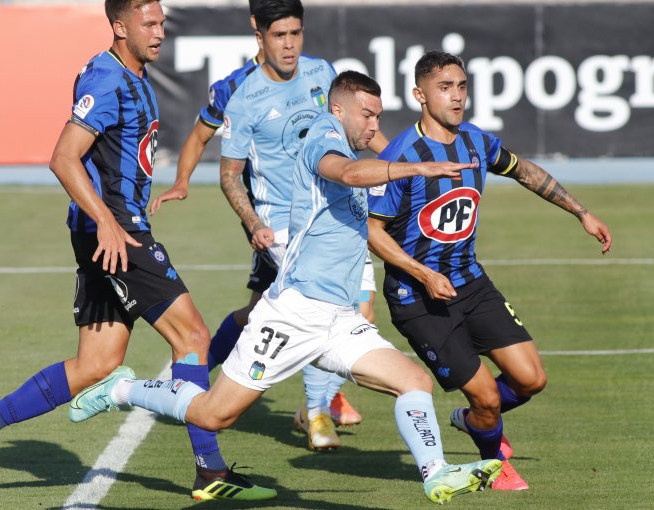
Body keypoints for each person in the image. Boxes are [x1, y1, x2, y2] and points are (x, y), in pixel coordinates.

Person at [68, 70, 502, 504]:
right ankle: (118, 390)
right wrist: (416, 166)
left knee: (414, 382)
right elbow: (348, 174)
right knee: (214, 413)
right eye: (367, 116)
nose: (374, 127)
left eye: (378, 117)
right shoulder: (322, 139)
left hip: (338, 318)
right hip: (293, 313)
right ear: (338, 109)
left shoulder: (349, 139)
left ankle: (436, 473)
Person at [0, 0, 274, 502]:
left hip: (109, 230)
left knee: (97, 363)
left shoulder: (134, 75)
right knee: (193, 336)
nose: (160, 32)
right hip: (117, 232)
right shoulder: (106, 78)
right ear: (119, 27)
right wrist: (107, 224)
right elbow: (62, 157)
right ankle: (210, 470)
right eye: (149, 23)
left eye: (162, 22)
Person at [367, 51, 613, 491]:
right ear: (420, 95)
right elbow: (373, 231)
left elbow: (523, 171)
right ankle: (492, 465)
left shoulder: (477, 141)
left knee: (531, 379)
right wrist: (422, 274)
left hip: (471, 281)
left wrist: (581, 212)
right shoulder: (402, 157)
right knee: (485, 395)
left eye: (462, 86)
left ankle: (474, 420)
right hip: (418, 298)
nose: (457, 96)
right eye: (446, 87)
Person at [213, 0, 386, 449]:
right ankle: (317, 414)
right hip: (286, 224)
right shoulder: (244, 99)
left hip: (337, 211)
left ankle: (203, 369)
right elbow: (229, 173)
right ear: (260, 37)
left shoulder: (321, 73)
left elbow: (360, 128)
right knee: (330, 307)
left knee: (358, 310)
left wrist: (398, 161)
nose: (289, 45)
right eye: (279, 36)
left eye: (296, 34)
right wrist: (252, 222)